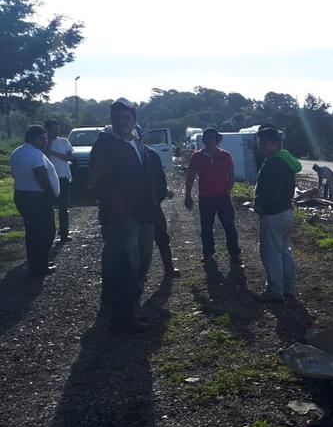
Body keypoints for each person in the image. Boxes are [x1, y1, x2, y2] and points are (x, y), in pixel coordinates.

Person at [89, 98, 157, 333]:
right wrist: (118, 210)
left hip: (143, 214)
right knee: (125, 266)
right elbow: (98, 183)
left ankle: (126, 308)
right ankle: (123, 319)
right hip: (122, 218)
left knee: (142, 264)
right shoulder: (106, 145)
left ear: (134, 120)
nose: (121, 122)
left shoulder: (138, 144)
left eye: (125, 117)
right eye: (116, 118)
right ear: (111, 120)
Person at [253, 127, 302, 303]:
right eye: (260, 144)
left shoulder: (274, 163)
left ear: (275, 143)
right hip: (286, 212)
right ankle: (288, 289)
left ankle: (275, 291)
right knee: (284, 252)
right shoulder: (286, 161)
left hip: (273, 214)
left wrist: (261, 206)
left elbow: (270, 192)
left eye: (264, 143)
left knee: (271, 253)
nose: (261, 147)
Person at [184, 127, 241, 262]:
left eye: (212, 137)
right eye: (207, 137)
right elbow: (190, 176)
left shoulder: (225, 155)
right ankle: (208, 253)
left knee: (229, 226)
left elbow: (232, 176)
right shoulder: (197, 156)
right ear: (203, 140)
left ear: (217, 140)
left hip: (223, 197)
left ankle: (234, 253)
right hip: (205, 198)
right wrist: (188, 195)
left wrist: (227, 192)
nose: (210, 139)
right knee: (206, 227)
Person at [10, 125, 59, 275]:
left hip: (22, 195)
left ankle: (36, 262)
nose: (45, 141)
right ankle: (40, 266)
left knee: (32, 232)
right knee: (46, 232)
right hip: (37, 198)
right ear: (33, 138)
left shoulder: (16, 152)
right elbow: (41, 176)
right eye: (43, 138)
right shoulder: (35, 154)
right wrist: (51, 194)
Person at [138, 126, 180, 278]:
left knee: (162, 236)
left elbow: (161, 179)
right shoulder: (118, 155)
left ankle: (169, 268)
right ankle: (138, 275)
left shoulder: (151, 154)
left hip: (152, 203)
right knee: (135, 242)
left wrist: (158, 197)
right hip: (131, 207)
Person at [44, 119, 74, 242]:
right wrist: (48, 145)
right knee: (48, 208)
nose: (56, 131)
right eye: (53, 129)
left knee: (63, 207)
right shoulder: (43, 142)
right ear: (47, 130)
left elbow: (70, 157)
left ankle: (64, 233)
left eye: (57, 129)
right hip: (48, 178)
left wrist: (53, 153)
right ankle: (48, 234)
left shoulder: (64, 141)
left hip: (62, 177)